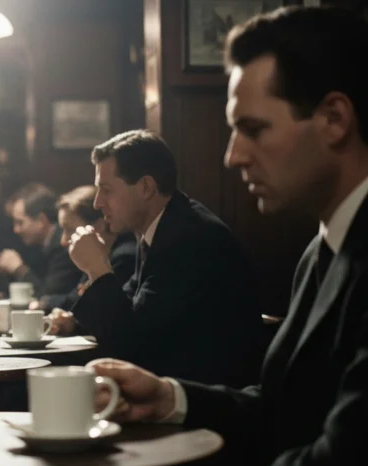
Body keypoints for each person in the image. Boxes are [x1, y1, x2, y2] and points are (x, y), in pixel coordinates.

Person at [88, 6, 368, 466]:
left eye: (254, 128)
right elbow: (284, 411)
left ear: (334, 118)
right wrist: (167, 397)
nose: (233, 155)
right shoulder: (321, 249)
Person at [68, 129, 265, 386]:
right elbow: (130, 306)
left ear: (146, 187)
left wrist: (97, 268)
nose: (97, 203)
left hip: (208, 401)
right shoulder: (161, 228)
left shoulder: (189, 237)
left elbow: (133, 347)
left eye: (106, 190)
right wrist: (73, 322)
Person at [42, 185, 137, 334]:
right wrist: (71, 321)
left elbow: (116, 322)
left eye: (70, 229)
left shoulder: (124, 257)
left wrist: (73, 322)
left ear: (98, 226)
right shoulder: (100, 254)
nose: (62, 241)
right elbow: (73, 300)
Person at [0, 183, 82, 299]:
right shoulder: (37, 246)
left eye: (20, 222)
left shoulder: (62, 246)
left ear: (41, 220)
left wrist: (19, 269)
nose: (16, 230)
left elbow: (48, 297)